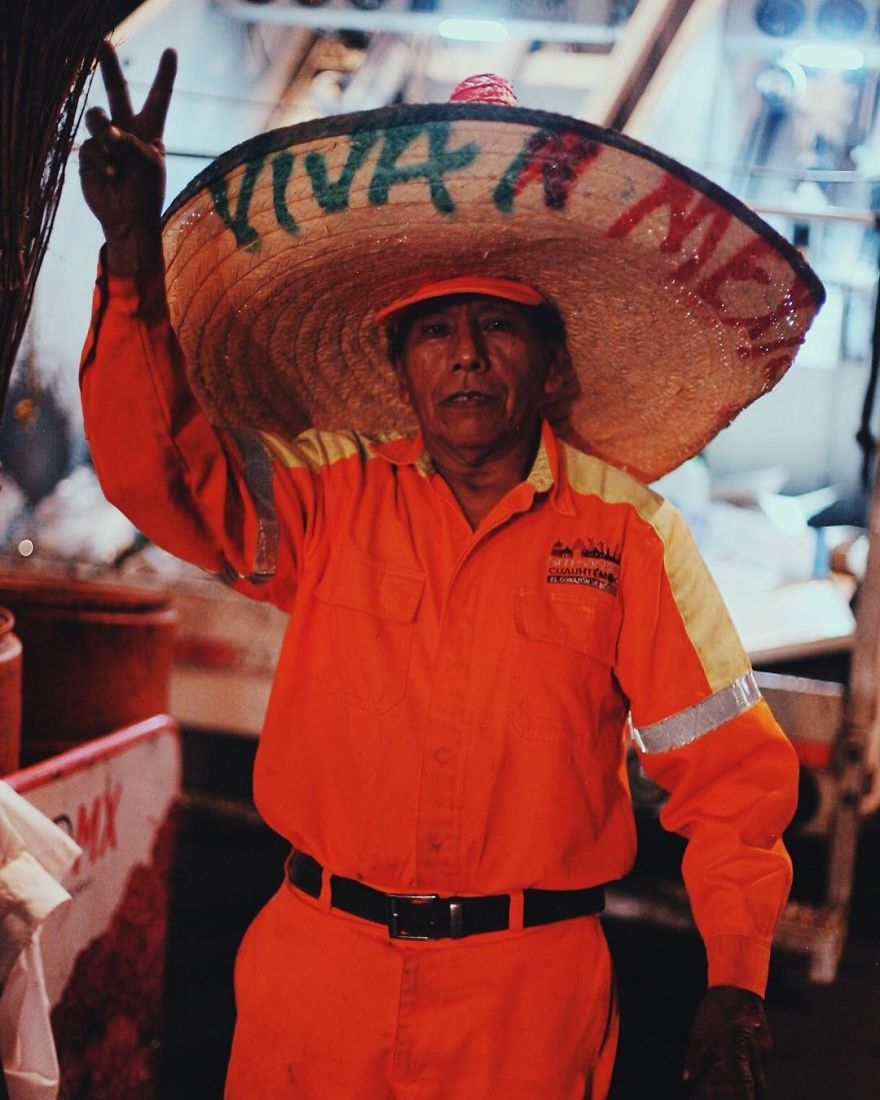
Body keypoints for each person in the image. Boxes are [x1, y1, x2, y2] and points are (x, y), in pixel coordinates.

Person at [78, 43, 824, 1100]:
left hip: (523, 999)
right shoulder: (329, 495)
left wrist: (736, 978)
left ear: (548, 356)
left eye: (495, 326)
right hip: (315, 973)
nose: (464, 354)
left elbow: (733, 780)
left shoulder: (630, 537)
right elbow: (160, 474)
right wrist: (126, 269)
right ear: (398, 366)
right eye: (433, 330)